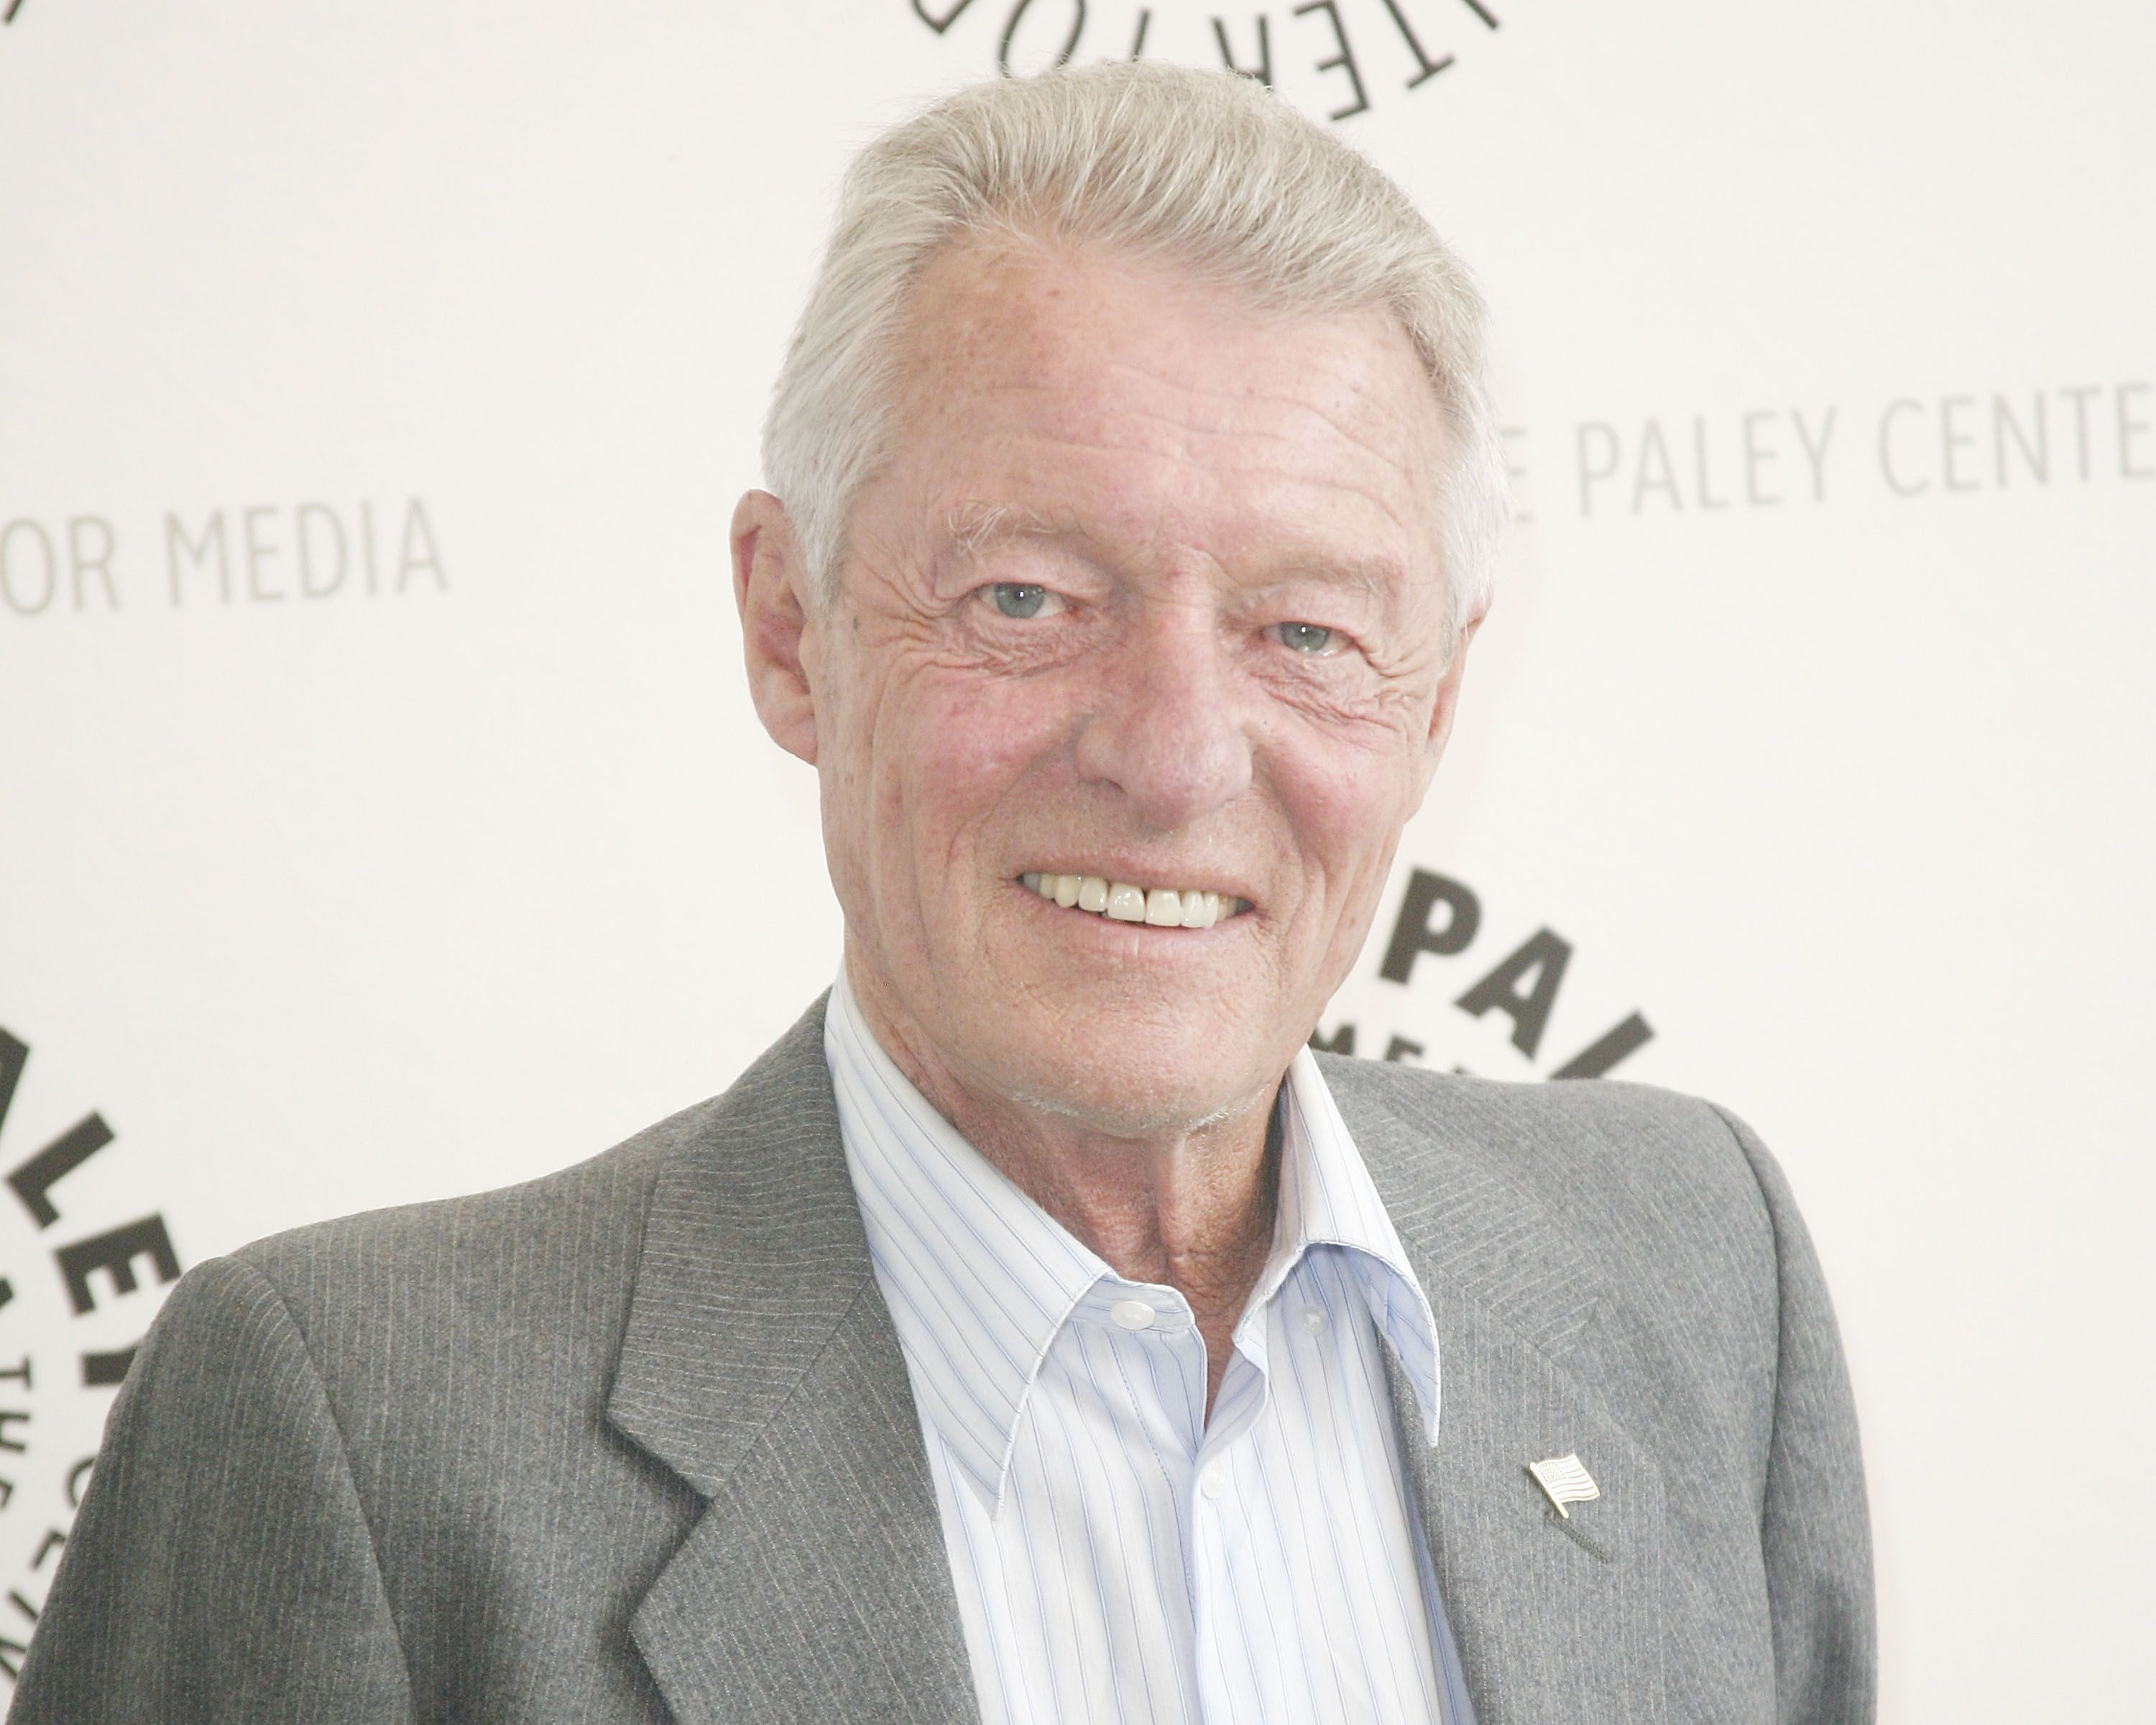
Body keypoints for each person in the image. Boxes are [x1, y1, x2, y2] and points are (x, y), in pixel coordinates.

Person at [9, 62, 1872, 1725]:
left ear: (1435, 703)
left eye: (1307, 630)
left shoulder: (1696, 1273)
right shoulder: (358, 1440)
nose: (1174, 755)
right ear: (786, 626)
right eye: (1029, 600)